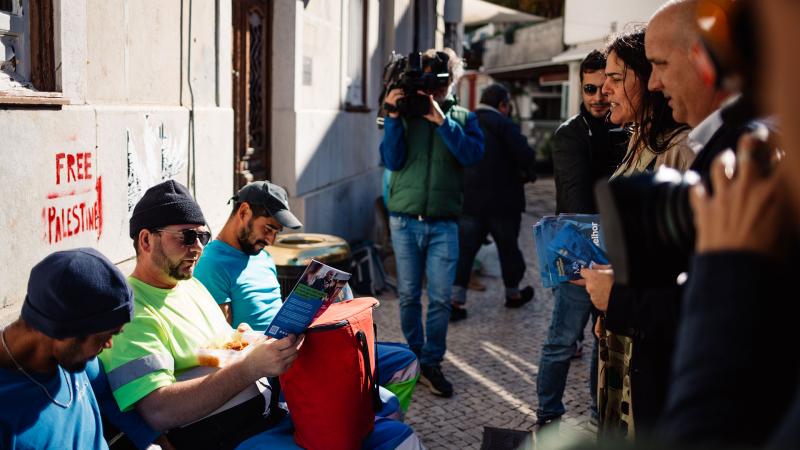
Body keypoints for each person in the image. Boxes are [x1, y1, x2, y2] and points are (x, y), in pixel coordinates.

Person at [102, 180, 421, 450]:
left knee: (386, 424)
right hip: (232, 436)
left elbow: (207, 354)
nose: (198, 248)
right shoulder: (131, 312)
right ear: (146, 240)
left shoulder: (187, 286)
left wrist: (243, 342)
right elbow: (159, 411)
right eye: (187, 236)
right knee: (397, 441)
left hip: (269, 412)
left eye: (203, 237)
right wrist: (249, 367)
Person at [194, 180, 421, 413]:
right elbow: (222, 346)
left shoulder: (261, 256)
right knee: (383, 401)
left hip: (303, 346)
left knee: (405, 361)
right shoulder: (212, 264)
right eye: (269, 228)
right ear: (244, 212)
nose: (271, 240)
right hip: (277, 366)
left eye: (276, 232)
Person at [580, 27, 694, 437]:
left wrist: (623, 299)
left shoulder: (679, 151)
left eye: (616, 78)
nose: (605, 89)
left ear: (648, 80)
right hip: (623, 323)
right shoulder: (637, 142)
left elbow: (686, 269)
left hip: (651, 337)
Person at [380, 47, 485, 397]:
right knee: (409, 295)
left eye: (438, 84)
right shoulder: (406, 114)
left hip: (444, 223)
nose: (431, 91)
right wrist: (394, 116)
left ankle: (432, 361)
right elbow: (391, 161)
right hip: (405, 220)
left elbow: (472, 155)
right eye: (426, 84)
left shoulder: (465, 119)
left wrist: (442, 121)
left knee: (440, 298)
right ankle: (414, 355)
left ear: (450, 82)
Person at [535, 50, 621, 430]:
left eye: (605, 87)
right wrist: (580, 265)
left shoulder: (628, 130)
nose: (598, 96)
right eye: (589, 88)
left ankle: (597, 415)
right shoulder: (570, 134)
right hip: (579, 258)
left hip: (614, 257)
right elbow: (575, 204)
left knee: (602, 343)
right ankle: (549, 414)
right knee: (561, 341)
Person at [0, 248, 159, 449]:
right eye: (104, 337)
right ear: (63, 332)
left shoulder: (80, 361)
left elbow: (108, 398)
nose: (109, 345)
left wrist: (151, 440)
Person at [450, 82, 535, 322]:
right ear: (502, 105)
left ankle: (455, 301)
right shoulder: (505, 125)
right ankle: (513, 295)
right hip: (504, 204)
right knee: (508, 250)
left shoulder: (466, 120)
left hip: (470, 202)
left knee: (464, 252)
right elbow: (526, 156)